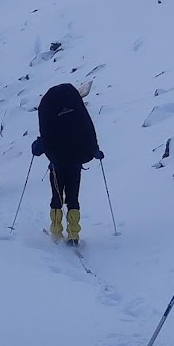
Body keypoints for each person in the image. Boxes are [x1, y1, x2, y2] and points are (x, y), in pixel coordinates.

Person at [30, 82, 102, 244]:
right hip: (76, 163)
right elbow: (88, 129)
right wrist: (94, 149)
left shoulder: (51, 118)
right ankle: (74, 234)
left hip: (57, 164)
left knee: (57, 197)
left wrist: (38, 147)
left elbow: (44, 141)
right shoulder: (75, 117)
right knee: (73, 198)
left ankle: (56, 232)